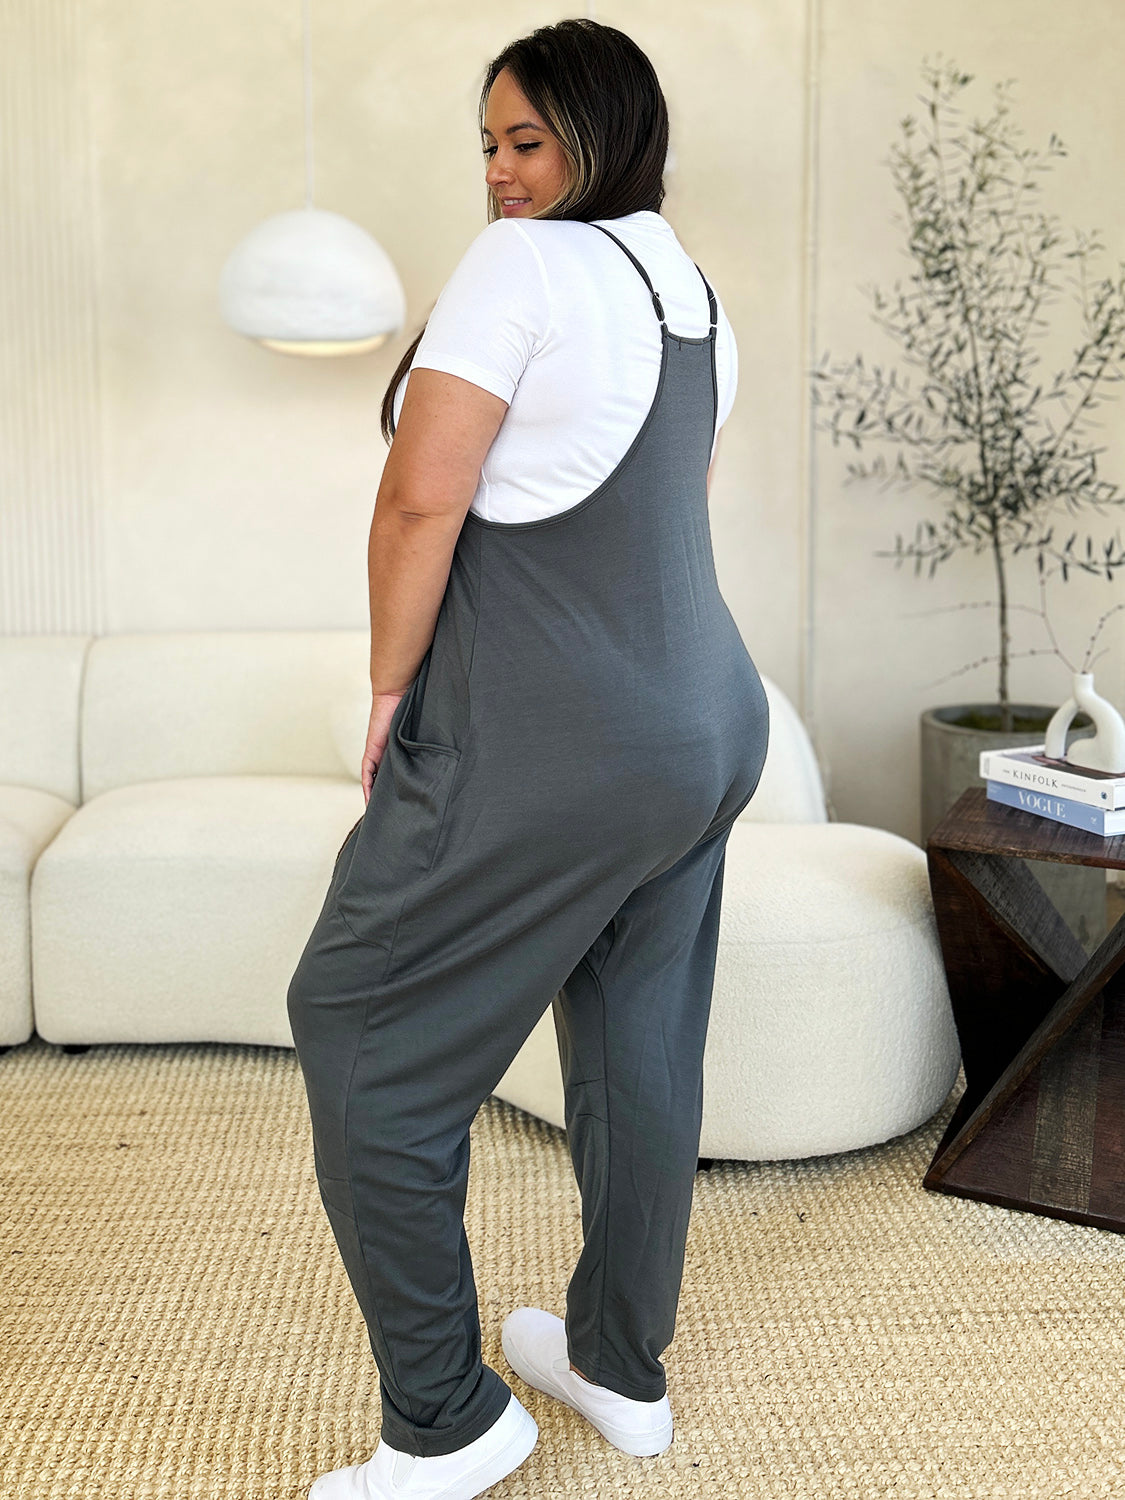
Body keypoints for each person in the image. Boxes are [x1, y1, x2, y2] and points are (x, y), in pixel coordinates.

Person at [286, 18, 770, 1500]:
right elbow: (658, 516)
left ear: (601, 136)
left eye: (527, 142)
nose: (501, 175)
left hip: (554, 736)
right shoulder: (686, 289)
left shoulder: (521, 271)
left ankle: (449, 1418)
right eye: (488, 146)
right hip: (704, 724)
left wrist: (386, 689)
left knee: (356, 1020)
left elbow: (418, 509)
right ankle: (618, 1369)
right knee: (634, 1051)